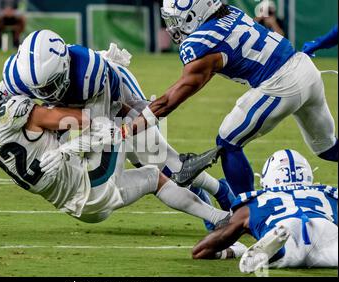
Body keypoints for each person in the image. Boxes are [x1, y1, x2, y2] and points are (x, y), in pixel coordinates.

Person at [1, 30, 238, 226]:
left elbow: (98, 130)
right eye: (38, 90)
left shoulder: (88, 75)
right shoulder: (16, 76)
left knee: (152, 155)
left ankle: (218, 192)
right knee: (151, 159)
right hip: (84, 108)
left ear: (65, 65)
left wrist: (65, 150)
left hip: (117, 94)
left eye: (50, 85)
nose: (46, 95)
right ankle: (213, 196)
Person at [0, 77, 231, 227]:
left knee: (147, 168)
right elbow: (81, 120)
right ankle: (210, 200)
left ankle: (218, 206)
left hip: (76, 206)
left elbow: (44, 139)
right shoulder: (15, 114)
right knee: (114, 113)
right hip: (91, 184)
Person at [124, 0, 338, 196]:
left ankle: (245, 211)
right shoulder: (231, 13)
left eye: (176, 20)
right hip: (306, 69)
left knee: (228, 141)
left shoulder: (200, 43)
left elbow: (172, 99)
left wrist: (130, 128)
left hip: (281, 84)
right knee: (328, 148)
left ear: (193, 15)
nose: (172, 26)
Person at [191, 149, 338, 273]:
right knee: (333, 249)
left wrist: (233, 251)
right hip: (324, 227)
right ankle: (276, 250)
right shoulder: (327, 194)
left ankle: (276, 252)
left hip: (283, 227)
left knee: (288, 253)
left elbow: (201, 250)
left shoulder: (255, 202)